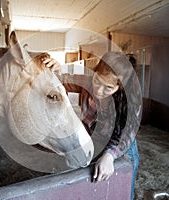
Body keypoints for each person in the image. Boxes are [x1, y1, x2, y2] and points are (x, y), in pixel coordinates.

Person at [44, 51, 142, 200]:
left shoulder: (129, 100)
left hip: (121, 147)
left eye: (108, 88)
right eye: (97, 80)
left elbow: (128, 132)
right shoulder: (86, 82)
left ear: (120, 87)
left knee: (123, 191)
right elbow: (62, 79)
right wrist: (57, 70)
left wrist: (110, 155)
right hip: (95, 141)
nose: (98, 89)